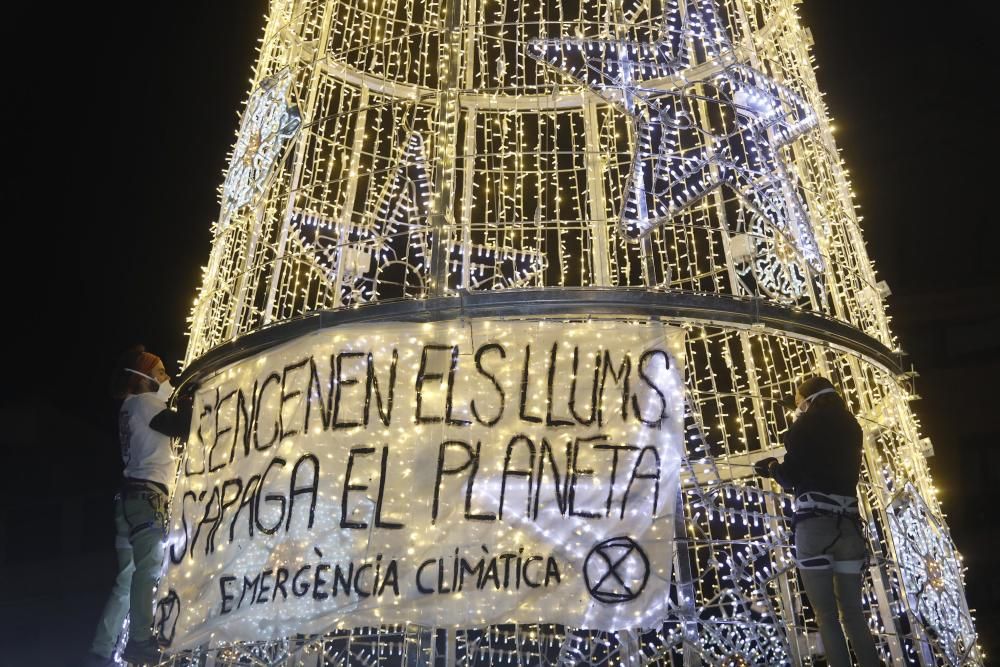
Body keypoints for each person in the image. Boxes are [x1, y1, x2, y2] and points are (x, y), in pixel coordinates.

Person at [755, 376, 880, 667]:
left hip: (814, 525)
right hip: (849, 526)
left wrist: (773, 467)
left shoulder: (800, 429)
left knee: (826, 616)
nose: (796, 407)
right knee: (852, 612)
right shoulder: (852, 427)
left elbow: (791, 477)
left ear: (808, 400)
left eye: (798, 402)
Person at [84, 346, 191, 667]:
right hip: (147, 498)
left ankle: (101, 648)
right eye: (160, 372)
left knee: (127, 578)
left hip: (128, 500)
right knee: (148, 569)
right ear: (143, 379)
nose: (167, 377)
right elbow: (181, 427)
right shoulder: (146, 404)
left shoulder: (129, 408)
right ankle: (140, 640)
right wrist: (191, 399)